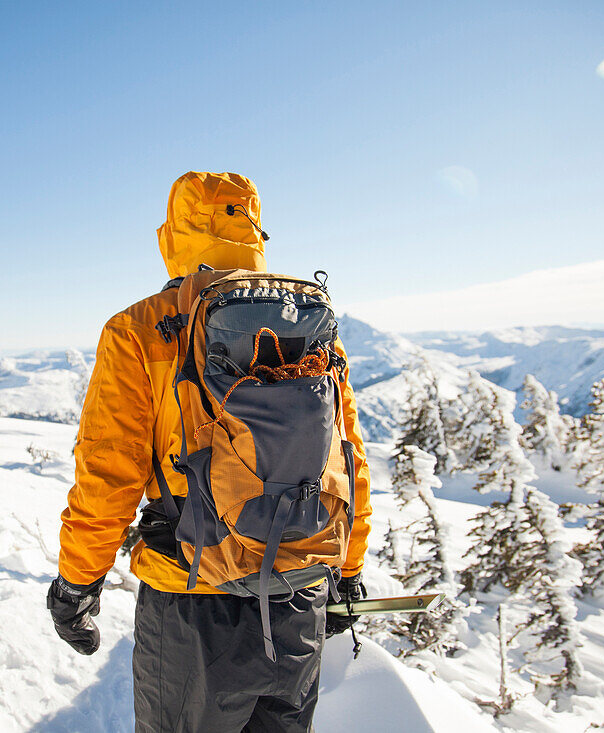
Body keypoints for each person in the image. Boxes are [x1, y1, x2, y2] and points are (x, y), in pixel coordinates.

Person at [48, 171, 373, 732]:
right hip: (300, 594)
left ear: (173, 233)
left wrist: (78, 581)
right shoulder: (310, 326)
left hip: (192, 598)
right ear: (254, 231)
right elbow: (347, 457)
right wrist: (347, 569)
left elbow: (109, 469)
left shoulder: (142, 327)